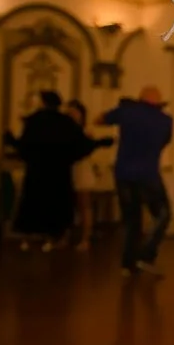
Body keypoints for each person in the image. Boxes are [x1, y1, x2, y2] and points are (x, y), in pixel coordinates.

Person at [4, 91, 101, 252]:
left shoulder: (54, 124)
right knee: (64, 205)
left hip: (74, 169)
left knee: (81, 205)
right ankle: (60, 237)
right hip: (64, 170)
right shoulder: (63, 124)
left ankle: (81, 239)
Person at [97, 86, 173, 277]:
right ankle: (146, 255)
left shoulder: (127, 111)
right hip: (148, 175)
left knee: (131, 220)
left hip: (123, 174)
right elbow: (164, 143)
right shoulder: (165, 120)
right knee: (163, 213)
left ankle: (128, 264)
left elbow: (99, 120)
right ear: (158, 102)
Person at [65, 99, 114, 251]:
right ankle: (66, 237)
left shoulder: (85, 132)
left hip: (81, 168)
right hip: (68, 168)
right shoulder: (65, 130)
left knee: (84, 205)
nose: (72, 115)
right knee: (68, 205)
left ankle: (85, 239)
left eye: (74, 112)